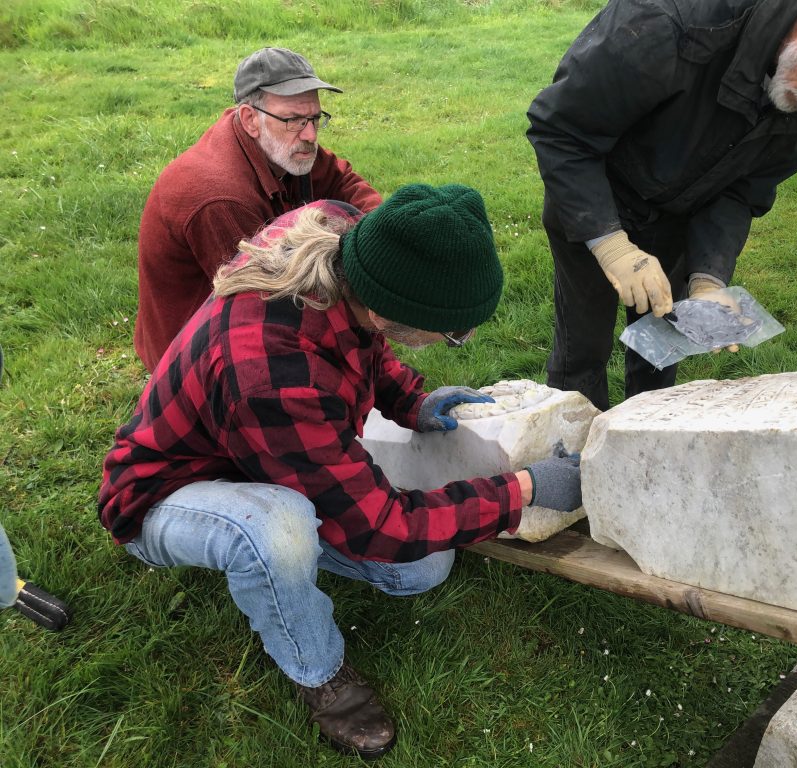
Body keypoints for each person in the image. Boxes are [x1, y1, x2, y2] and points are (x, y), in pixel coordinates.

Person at [98, 183, 583, 760]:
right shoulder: (275, 375)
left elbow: (364, 341)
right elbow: (383, 528)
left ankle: (292, 532)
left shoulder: (341, 234)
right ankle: (318, 671)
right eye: (452, 332)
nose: (463, 342)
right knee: (278, 528)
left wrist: (411, 401)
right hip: (166, 492)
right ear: (383, 305)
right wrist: (524, 489)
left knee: (422, 570)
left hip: (265, 451)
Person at [526, 0, 797, 410]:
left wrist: (709, 276)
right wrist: (611, 245)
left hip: (679, 213)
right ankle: (569, 465)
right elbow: (563, 131)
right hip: (593, 194)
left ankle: (643, 452)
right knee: (582, 350)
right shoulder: (665, 20)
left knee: (661, 353)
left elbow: (742, 188)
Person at [134, 47, 383, 372]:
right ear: (250, 119)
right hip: (194, 359)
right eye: (294, 120)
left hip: (242, 314)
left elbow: (342, 182)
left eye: (314, 118)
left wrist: (385, 234)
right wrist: (376, 296)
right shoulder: (220, 198)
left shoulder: (279, 144)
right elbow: (275, 300)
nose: (310, 134)